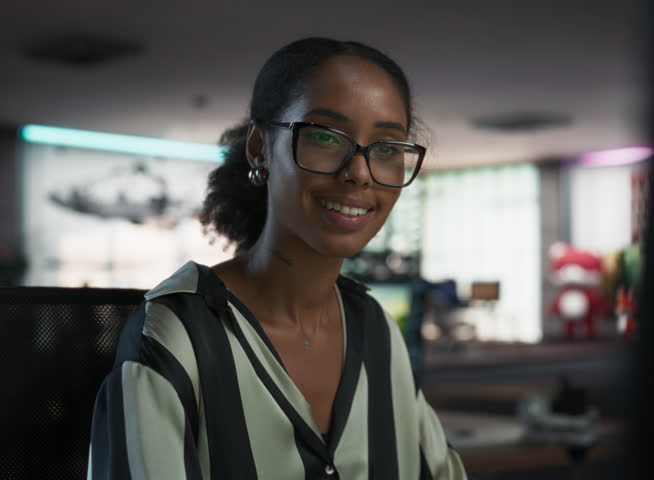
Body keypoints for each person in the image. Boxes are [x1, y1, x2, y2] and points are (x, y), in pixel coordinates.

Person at [87, 37, 467, 480]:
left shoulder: (376, 329)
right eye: (325, 136)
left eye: (386, 148)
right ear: (259, 147)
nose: (360, 172)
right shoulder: (179, 334)